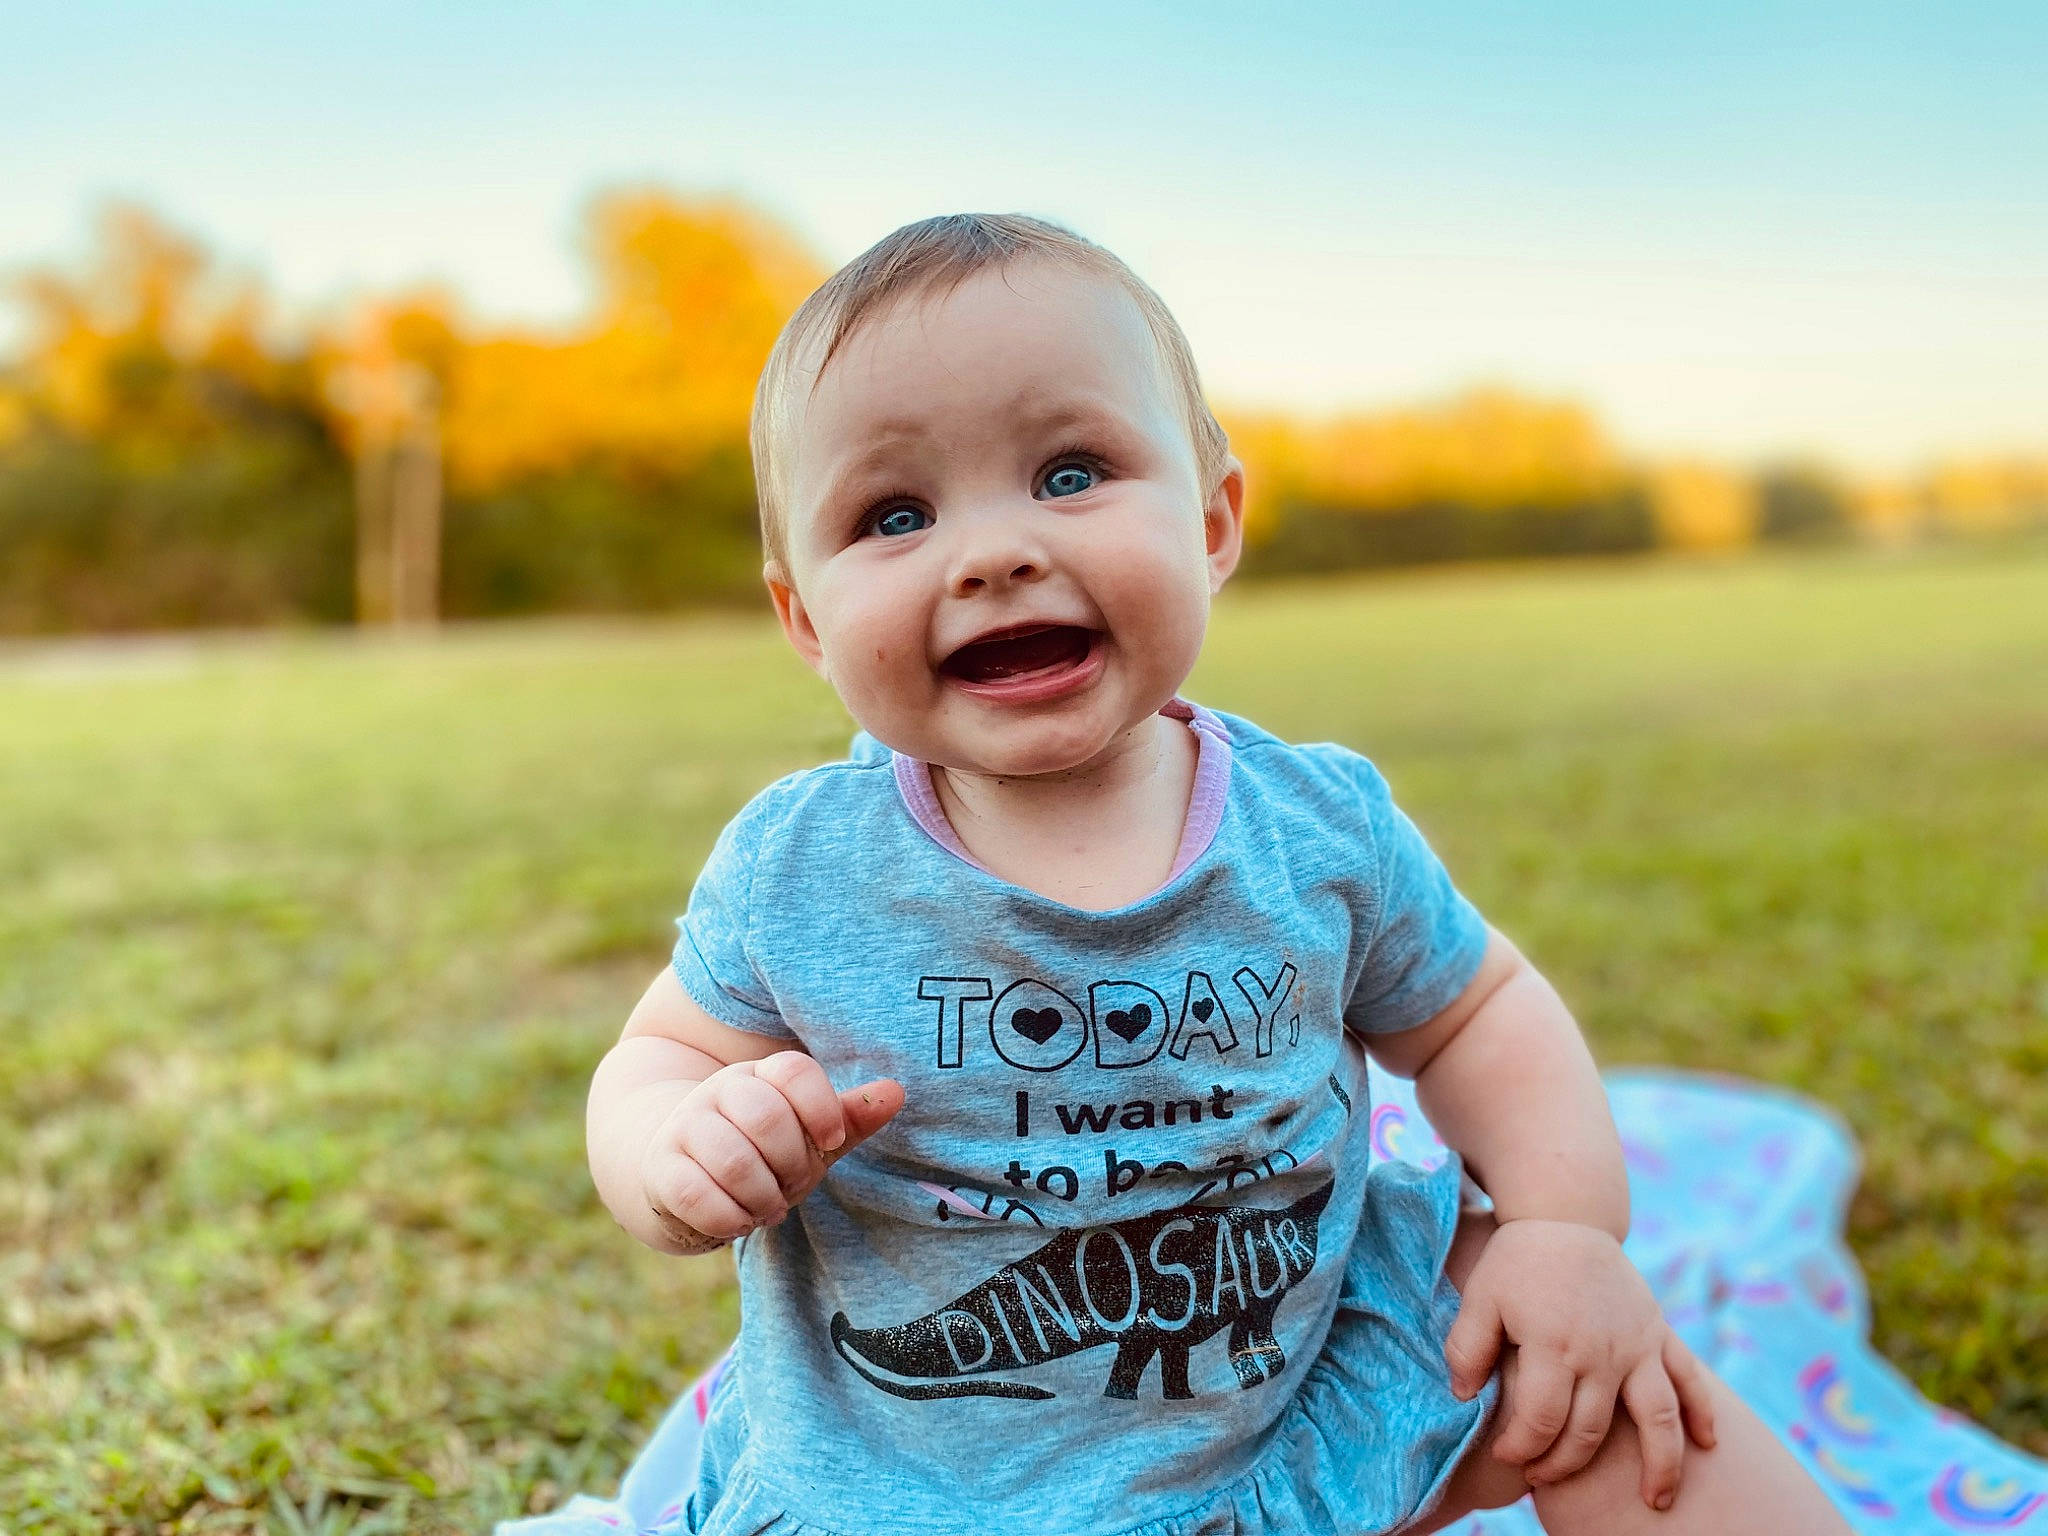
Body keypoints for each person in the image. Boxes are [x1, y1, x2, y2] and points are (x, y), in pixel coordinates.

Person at [584, 214, 1849, 1536]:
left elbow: (1478, 1011)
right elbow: (658, 1058)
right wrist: (677, 1148)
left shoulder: (1316, 828)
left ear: (1213, 522)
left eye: (1071, 473)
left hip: (1310, 1385)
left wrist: (1563, 1232)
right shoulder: (799, 868)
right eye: (894, 514)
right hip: (916, 1485)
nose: (995, 551)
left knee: (1603, 1381)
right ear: (804, 618)